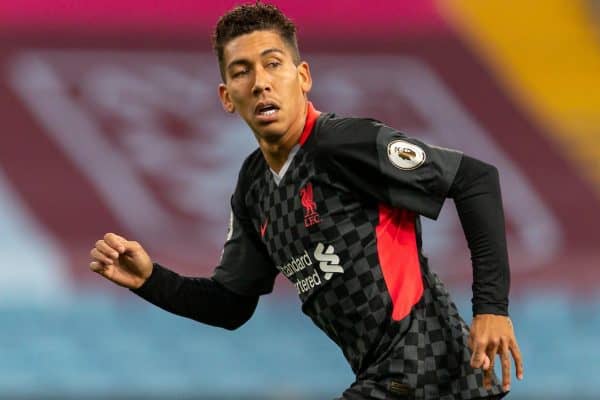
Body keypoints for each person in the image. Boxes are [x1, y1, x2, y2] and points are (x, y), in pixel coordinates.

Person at [89, 3, 524, 399]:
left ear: (302, 77)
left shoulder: (342, 144)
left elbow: (474, 179)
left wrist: (491, 310)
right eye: (241, 72)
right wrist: (150, 280)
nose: (260, 83)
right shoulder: (254, 189)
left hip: (428, 370)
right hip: (392, 380)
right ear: (227, 96)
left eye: (272, 64)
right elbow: (230, 304)